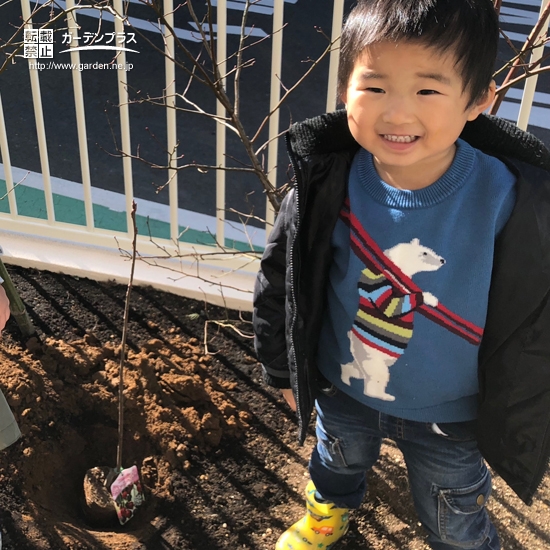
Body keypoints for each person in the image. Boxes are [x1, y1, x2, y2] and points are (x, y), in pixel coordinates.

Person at [253, 1, 550, 549]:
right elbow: (282, 279)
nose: (396, 113)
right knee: (336, 460)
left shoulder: (513, 200)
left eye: (428, 91)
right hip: (344, 385)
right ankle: (328, 513)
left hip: (454, 413)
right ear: (345, 90)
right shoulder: (326, 184)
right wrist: (282, 369)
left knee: (453, 513)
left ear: (479, 98)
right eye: (376, 87)